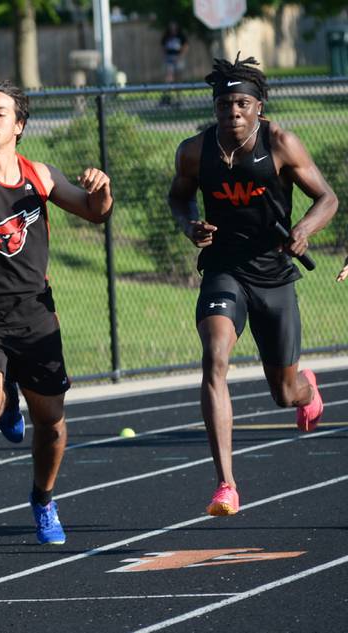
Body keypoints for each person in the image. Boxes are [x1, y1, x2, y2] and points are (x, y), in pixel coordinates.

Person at [0, 81, 112, 545]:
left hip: (35, 317)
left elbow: (95, 213)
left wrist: (101, 190)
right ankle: (5, 388)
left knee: (51, 424)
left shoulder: (41, 175)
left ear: (19, 124)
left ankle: (43, 498)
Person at [167, 54, 338, 516]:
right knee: (214, 358)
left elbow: (328, 198)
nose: (233, 113)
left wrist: (303, 230)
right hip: (225, 269)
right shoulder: (194, 150)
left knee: (283, 394)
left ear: (259, 106)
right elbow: (178, 197)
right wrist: (190, 226)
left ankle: (307, 388)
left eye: (242, 104)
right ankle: (226, 485)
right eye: (224, 105)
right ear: (215, 108)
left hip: (275, 273)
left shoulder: (281, 143)